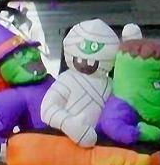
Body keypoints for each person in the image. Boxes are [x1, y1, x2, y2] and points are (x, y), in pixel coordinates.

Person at [40, 19, 121, 147]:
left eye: (94, 47)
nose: (86, 60)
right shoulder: (66, 80)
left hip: (102, 148)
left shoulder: (111, 85)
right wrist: (68, 124)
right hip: (64, 143)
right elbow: (47, 109)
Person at [96, 39, 160, 146]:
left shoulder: (142, 108)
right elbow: (112, 126)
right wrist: (138, 133)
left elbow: (152, 121)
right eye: (157, 84)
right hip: (110, 153)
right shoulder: (118, 107)